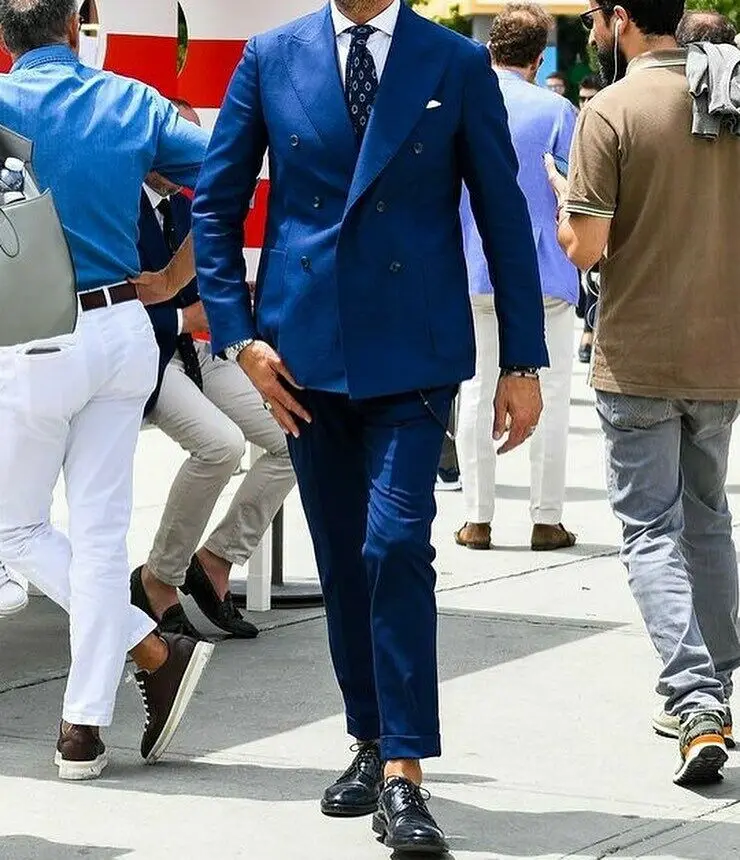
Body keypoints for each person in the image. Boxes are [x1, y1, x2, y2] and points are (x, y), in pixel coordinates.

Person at [192, 0, 547, 852]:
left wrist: (523, 362)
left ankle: (405, 771)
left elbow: (503, 212)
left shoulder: (453, 63)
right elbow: (217, 205)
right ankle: (369, 739)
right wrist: (238, 338)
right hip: (303, 357)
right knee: (347, 554)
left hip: (414, 355)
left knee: (395, 545)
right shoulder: (270, 56)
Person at [0, 0, 214, 780]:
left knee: (14, 531)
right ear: (71, 31)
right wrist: (179, 276)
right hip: (124, 325)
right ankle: (81, 730)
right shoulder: (130, 98)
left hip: (31, 331)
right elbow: (232, 170)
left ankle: (147, 648)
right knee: (98, 535)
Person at [548, 0, 740, 787]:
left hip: (639, 352)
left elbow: (587, 245)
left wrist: (567, 204)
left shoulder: (613, 108)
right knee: (708, 518)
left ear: (622, 19)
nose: (593, 32)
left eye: (595, 18)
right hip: (721, 348)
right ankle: (718, 687)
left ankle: (696, 700)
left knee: (649, 531)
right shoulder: (727, 95)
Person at [130, 102, 296, 639]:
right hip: (147, 359)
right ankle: (159, 578)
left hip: (195, 353)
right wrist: (183, 314)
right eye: (178, 145)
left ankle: (217, 560)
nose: (187, 160)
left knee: (294, 438)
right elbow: (109, 302)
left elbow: (204, 291)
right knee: (221, 446)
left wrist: (234, 310)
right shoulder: (120, 204)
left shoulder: (185, 207)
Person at [455, 3, 579, 553]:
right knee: (549, 393)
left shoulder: (462, 104)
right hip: (542, 271)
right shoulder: (557, 111)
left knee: (477, 391)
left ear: (490, 50)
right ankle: (546, 518)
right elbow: (575, 192)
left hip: (472, 264)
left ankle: (477, 518)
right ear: (539, 56)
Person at [575, 74, 603, 365]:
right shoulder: (572, 120)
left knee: (595, 278)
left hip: (599, 214)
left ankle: (589, 329)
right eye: (582, 98)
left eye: (591, 97)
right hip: (573, 214)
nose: (586, 103)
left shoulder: (607, 118)